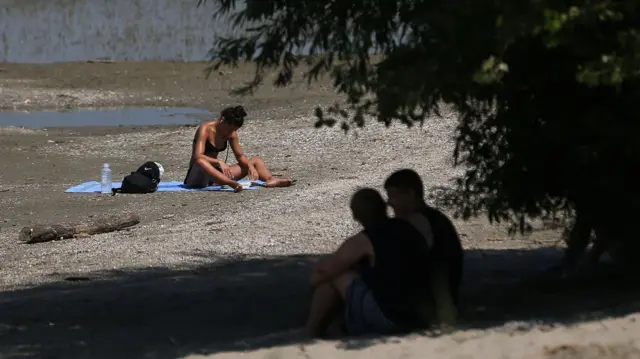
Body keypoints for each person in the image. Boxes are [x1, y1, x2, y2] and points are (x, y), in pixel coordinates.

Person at [304, 188, 435, 338]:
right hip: (423, 315)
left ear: (356, 215)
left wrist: (313, 283)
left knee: (335, 276)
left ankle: (312, 330)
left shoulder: (365, 239)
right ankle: (333, 326)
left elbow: (324, 270)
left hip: (391, 319)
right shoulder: (407, 228)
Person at [384, 168, 464, 324]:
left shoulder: (418, 223)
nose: (389, 202)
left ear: (411, 194)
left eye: (393, 196)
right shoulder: (435, 219)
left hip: (428, 307)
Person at [183, 105, 294, 192]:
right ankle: (232, 184)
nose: (230, 133)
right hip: (198, 177)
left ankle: (270, 180)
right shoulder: (205, 129)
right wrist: (219, 162)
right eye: (229, 129)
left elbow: (240, 156)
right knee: (201, 161)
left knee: (255, 161)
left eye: (233, 130)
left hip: (216, 177)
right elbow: (198, 156)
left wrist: (250, 167)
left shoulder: (232, 134)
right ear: (222, 119)